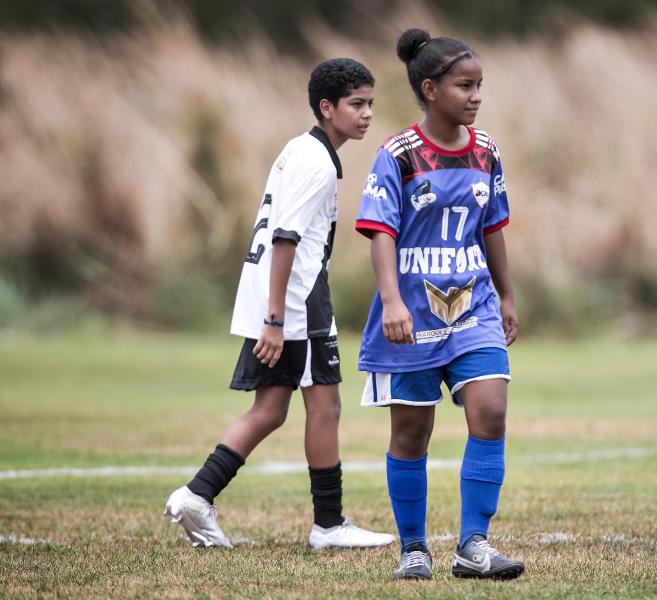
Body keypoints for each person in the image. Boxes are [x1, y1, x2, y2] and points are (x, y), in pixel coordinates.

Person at [165, 58, 394, 551]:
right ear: (327, 108)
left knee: (270, 409)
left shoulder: (300, 148)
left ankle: (196, 495)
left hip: (274, 293)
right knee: (325, 404)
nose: (368, 113)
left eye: (371, 103)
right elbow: (286, 238)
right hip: (295, 300)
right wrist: (275, 320)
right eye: (357, 104)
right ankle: (329, 526)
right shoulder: (316, 162)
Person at [354, 29, 525, 580]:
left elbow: (493, 225)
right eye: (464, 85)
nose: (476, 96)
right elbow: (380, 231)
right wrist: (391, 302)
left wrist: (506, 293)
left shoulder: (486, 151)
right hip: (413, 313)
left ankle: (474, 545)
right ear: (430, 89)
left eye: (480, 86)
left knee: (491, 410)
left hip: (472, 304)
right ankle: (414, 549)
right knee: (409, 434)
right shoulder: (397, 154)